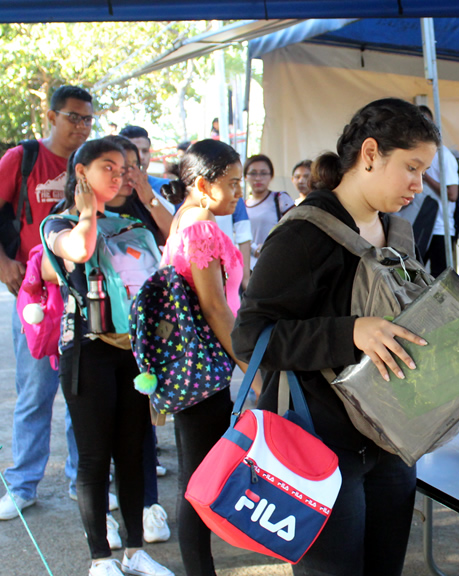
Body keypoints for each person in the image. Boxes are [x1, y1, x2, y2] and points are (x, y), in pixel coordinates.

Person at [231, 97, 439, 576]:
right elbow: (252, 337)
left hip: (391, 442)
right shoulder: (303, 234)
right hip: (320, 446)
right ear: (370, 154)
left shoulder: (397, 231)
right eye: (411, 167)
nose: (418, 183)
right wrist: (352, 333)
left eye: (424, 170)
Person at [41, 138, 173, 576]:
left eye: (124, 168)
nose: (119, 176)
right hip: (87, 352)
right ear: (81, 174)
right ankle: (100, 557)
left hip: (133, 351)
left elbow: (172, 243)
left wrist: (144, 195)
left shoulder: (127, 220)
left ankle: (135, 551)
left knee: (133, 452)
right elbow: (77, 251)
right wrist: (84, 212)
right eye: (108, 168)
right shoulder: (58, 223)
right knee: (95, 457)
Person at [0, 84, 93, 520]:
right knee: (35, 392)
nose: (81, 125)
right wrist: (1, 261)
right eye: (73, 117)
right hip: (36, 297)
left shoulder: (91, 160)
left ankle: (85, 482)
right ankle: (22, 485)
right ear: (51, 117)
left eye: (88, 118)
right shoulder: (24, 158)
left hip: (84, 295)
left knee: (82, 391)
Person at [158, 139, 257, 576]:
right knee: (198, 477)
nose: (239, 192)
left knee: (198, 472)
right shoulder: (200, 226)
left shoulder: (186, 219)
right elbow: (215, 306)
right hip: (204, 371)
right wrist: (247, 367)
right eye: (232, 184)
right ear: (202, 184)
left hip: (198, 368)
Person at [101, 135, 172, 545]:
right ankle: (104, 515)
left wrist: (149, 196)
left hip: (143, 338)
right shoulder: (73, 214)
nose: (126, 173)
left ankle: (149, 508)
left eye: (132, 164)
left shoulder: (141, 206)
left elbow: (175, 234)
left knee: (140, 431)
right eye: (116, 166)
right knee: (94, 435)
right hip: (96, 340)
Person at [418, 105, 459, 276]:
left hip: (440, 228)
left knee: (440, 280)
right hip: (420, 225)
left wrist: (425, 176)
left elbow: (452, 194)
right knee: (413, 276)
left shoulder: (443, 155)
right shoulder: (417, 152)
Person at [243, 154, 294, 270]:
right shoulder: (241, 206)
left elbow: (294, 228)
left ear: (271, 176)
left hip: (275, 263)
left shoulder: (280, 198)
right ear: (245, 177)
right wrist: (253, 248)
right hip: (248, 267)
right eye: (253, 173)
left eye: (263, 173)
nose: (258, 178)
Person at [118, 125, 175, 206]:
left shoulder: (168, 187)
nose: (141, 157)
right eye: (135, 151)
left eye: (145, 151)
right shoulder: (113, 189)